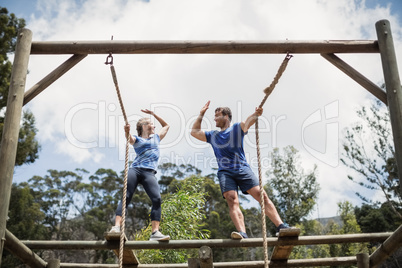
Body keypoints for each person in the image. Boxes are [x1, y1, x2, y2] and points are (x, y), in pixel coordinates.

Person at [191, 100, 290, 239]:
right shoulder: (213, 135)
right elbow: (194, 132)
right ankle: (242, 233)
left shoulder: (236, 128)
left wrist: (256, 114)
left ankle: (281, 226)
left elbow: (247, 122)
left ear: (226, 116)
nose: (214, 119)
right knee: (232, 199)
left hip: (242, 168)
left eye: (217, 115)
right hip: (225, 172)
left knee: (262, 196)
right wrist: (201, 114)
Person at [110, 109, 170, 241]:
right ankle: (116, 227)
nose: (154, 126)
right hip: (136, 170)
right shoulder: (137, 139)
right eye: (151, 124)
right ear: (144, 126)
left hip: (149, 173)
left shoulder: (156, 138)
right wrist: (126, 131)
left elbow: (166, 126)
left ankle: (155, 233)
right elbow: (130, 139)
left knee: (157, 199)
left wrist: (154, 114)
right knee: (126, 197)